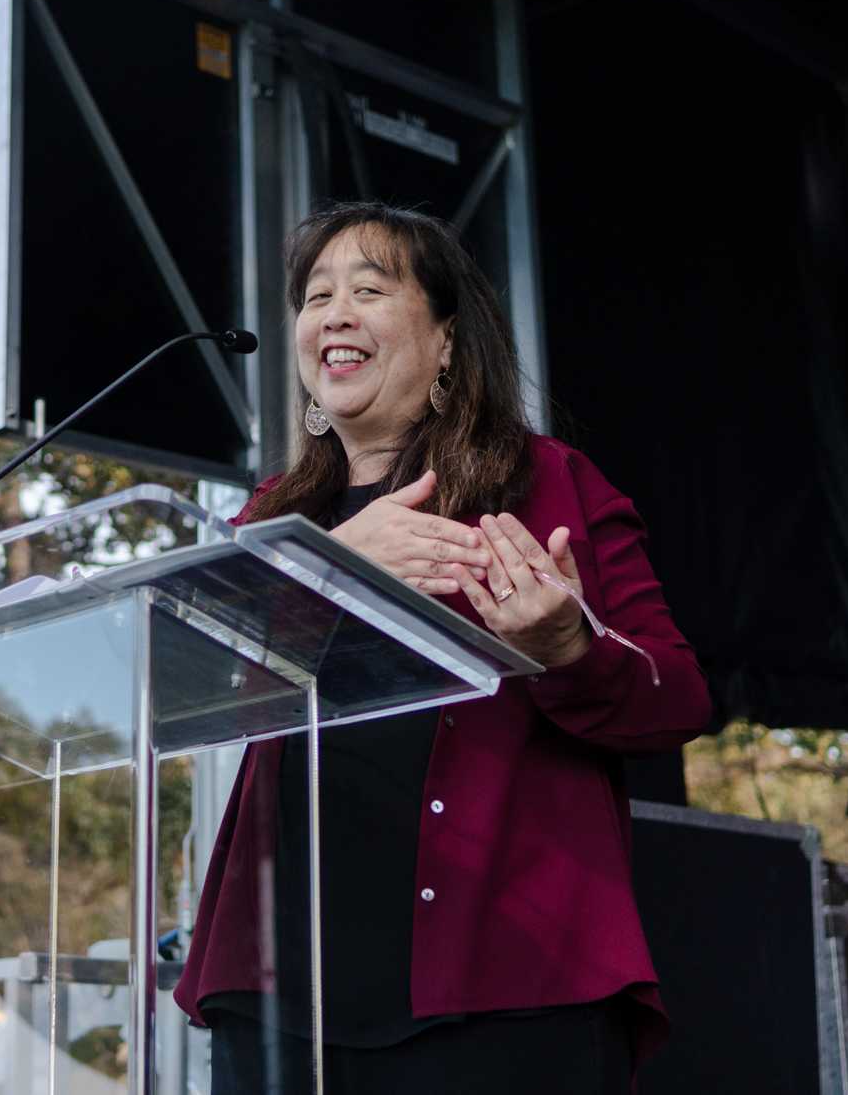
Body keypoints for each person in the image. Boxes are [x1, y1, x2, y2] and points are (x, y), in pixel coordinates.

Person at [172, 204, 713, 1093]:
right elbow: (203, 686)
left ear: (449, 340)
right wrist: (333, 570)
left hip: (509, 978)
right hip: (283, 984)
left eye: (369, 290)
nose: (333, 314)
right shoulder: (270, 518)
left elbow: (679, 695)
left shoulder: (550, 483)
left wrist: (569, 644)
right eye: (316, 296)